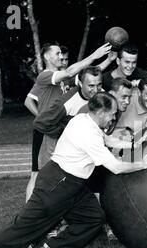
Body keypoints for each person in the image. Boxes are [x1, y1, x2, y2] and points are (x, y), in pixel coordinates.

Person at [0, 92, 147, 248]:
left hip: (73, 185)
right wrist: (144, 164)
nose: (113, 119)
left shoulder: (84, 120)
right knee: (26, 226)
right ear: (102, 113)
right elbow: (116, 167)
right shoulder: (88, 133)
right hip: (58, 183)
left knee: (94, 218)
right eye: (112, 115)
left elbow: (108, 139)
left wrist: (136, 144)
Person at [24, 42, 112, 202]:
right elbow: (28, 101)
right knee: (37, 174)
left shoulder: (63, 80)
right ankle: (29, 208)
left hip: (58, 126)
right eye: (57, 53)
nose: (61, 56)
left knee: (59, 173)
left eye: (62, 54)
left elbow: (89, 76)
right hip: (46, 128)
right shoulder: (46, 76)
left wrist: (108, 60)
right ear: (46, 56)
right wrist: (95, 54)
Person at [34, 66, 104, 169]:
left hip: (78, 157)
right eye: (91, 86)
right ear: (80, 83)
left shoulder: (103, 96)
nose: (96, 90)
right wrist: (65, 129)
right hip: (53, 156)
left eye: (99, 85)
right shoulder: (66, 102)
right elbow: (39, 122)